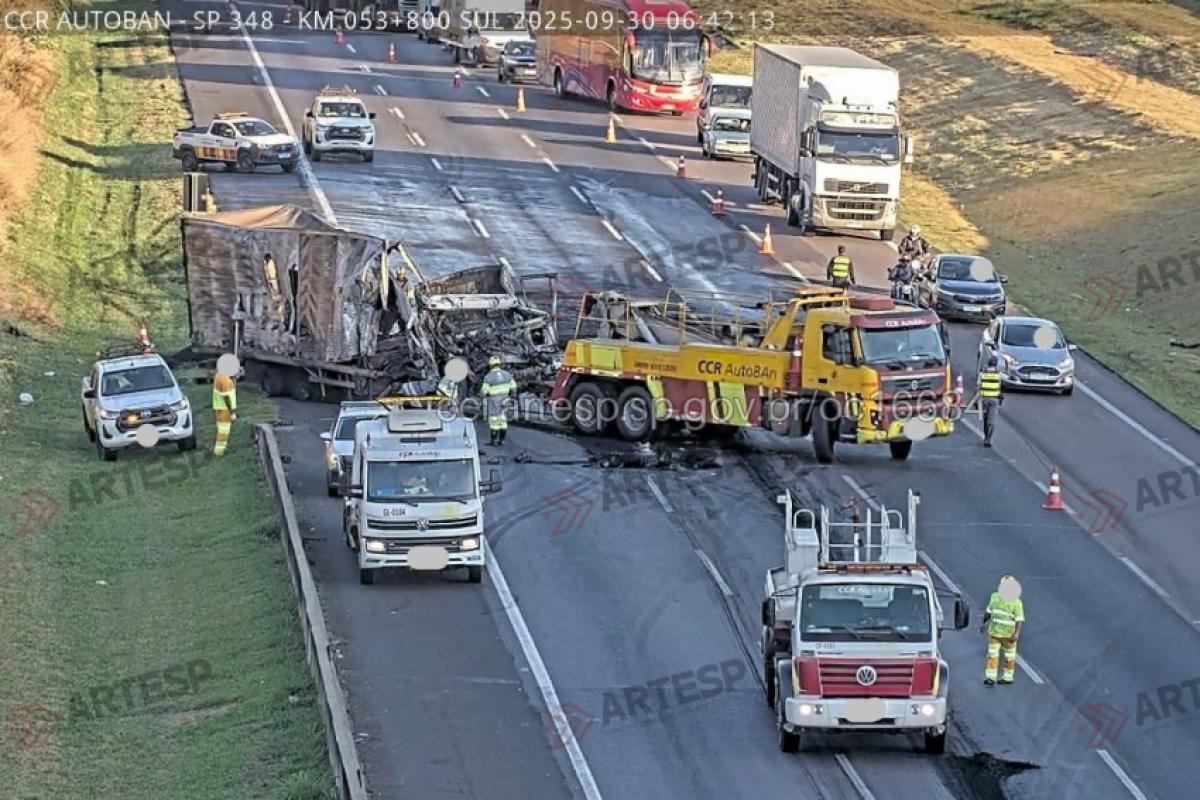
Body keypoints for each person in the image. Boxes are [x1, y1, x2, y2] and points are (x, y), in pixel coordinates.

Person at [981, 575, 1025, 685]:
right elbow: (989, 612)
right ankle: (993, 677)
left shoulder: (999, 598)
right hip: (999, 634)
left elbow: (1019, 620)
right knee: (996, 656)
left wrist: (983, 623)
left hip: (1004, 634)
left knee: (1004, 657)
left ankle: (1005, 677)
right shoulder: (1015, 602)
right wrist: (984, 623)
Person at [481, 355, 516, 446]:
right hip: (505, 399)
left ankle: (494, 441)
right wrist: (512, 398)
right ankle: (502, 440)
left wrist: (482, 399)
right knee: (503, 419)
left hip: (494, 400)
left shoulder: (488, 377)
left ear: (490, 365)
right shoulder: (507, 374)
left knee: (494, 420)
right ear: (499, 364)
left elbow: (484, 391)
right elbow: (514, 387)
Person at [978, 355, 1003, 447]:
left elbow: (978, 386)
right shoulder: (999, 374)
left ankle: (986, 438)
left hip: (984, 399)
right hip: (994, 400)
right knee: (991, 421)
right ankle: (988, 439)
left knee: (986, 420)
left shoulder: (982, 373)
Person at [212, 371, 237, 456]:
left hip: (220, 408)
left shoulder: (220, 375)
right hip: (224, 410)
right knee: (223, 432)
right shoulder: (224, 379)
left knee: (222, 431)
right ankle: (219, 452)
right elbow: (226, 397)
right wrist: (232, 412)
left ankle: (220, 450)